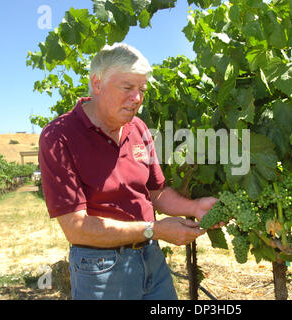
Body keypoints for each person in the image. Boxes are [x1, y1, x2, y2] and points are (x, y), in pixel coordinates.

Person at [38, 43, 217, 300]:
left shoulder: (139, 128)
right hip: (100, 268)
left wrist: (196, 206)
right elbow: (77, 228)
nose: (137, 98)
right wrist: (155, 229)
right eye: (128, 88)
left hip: (151, 258)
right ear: (97, 83)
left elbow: (156, 193)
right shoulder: (59, 136)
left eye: (141, 89)